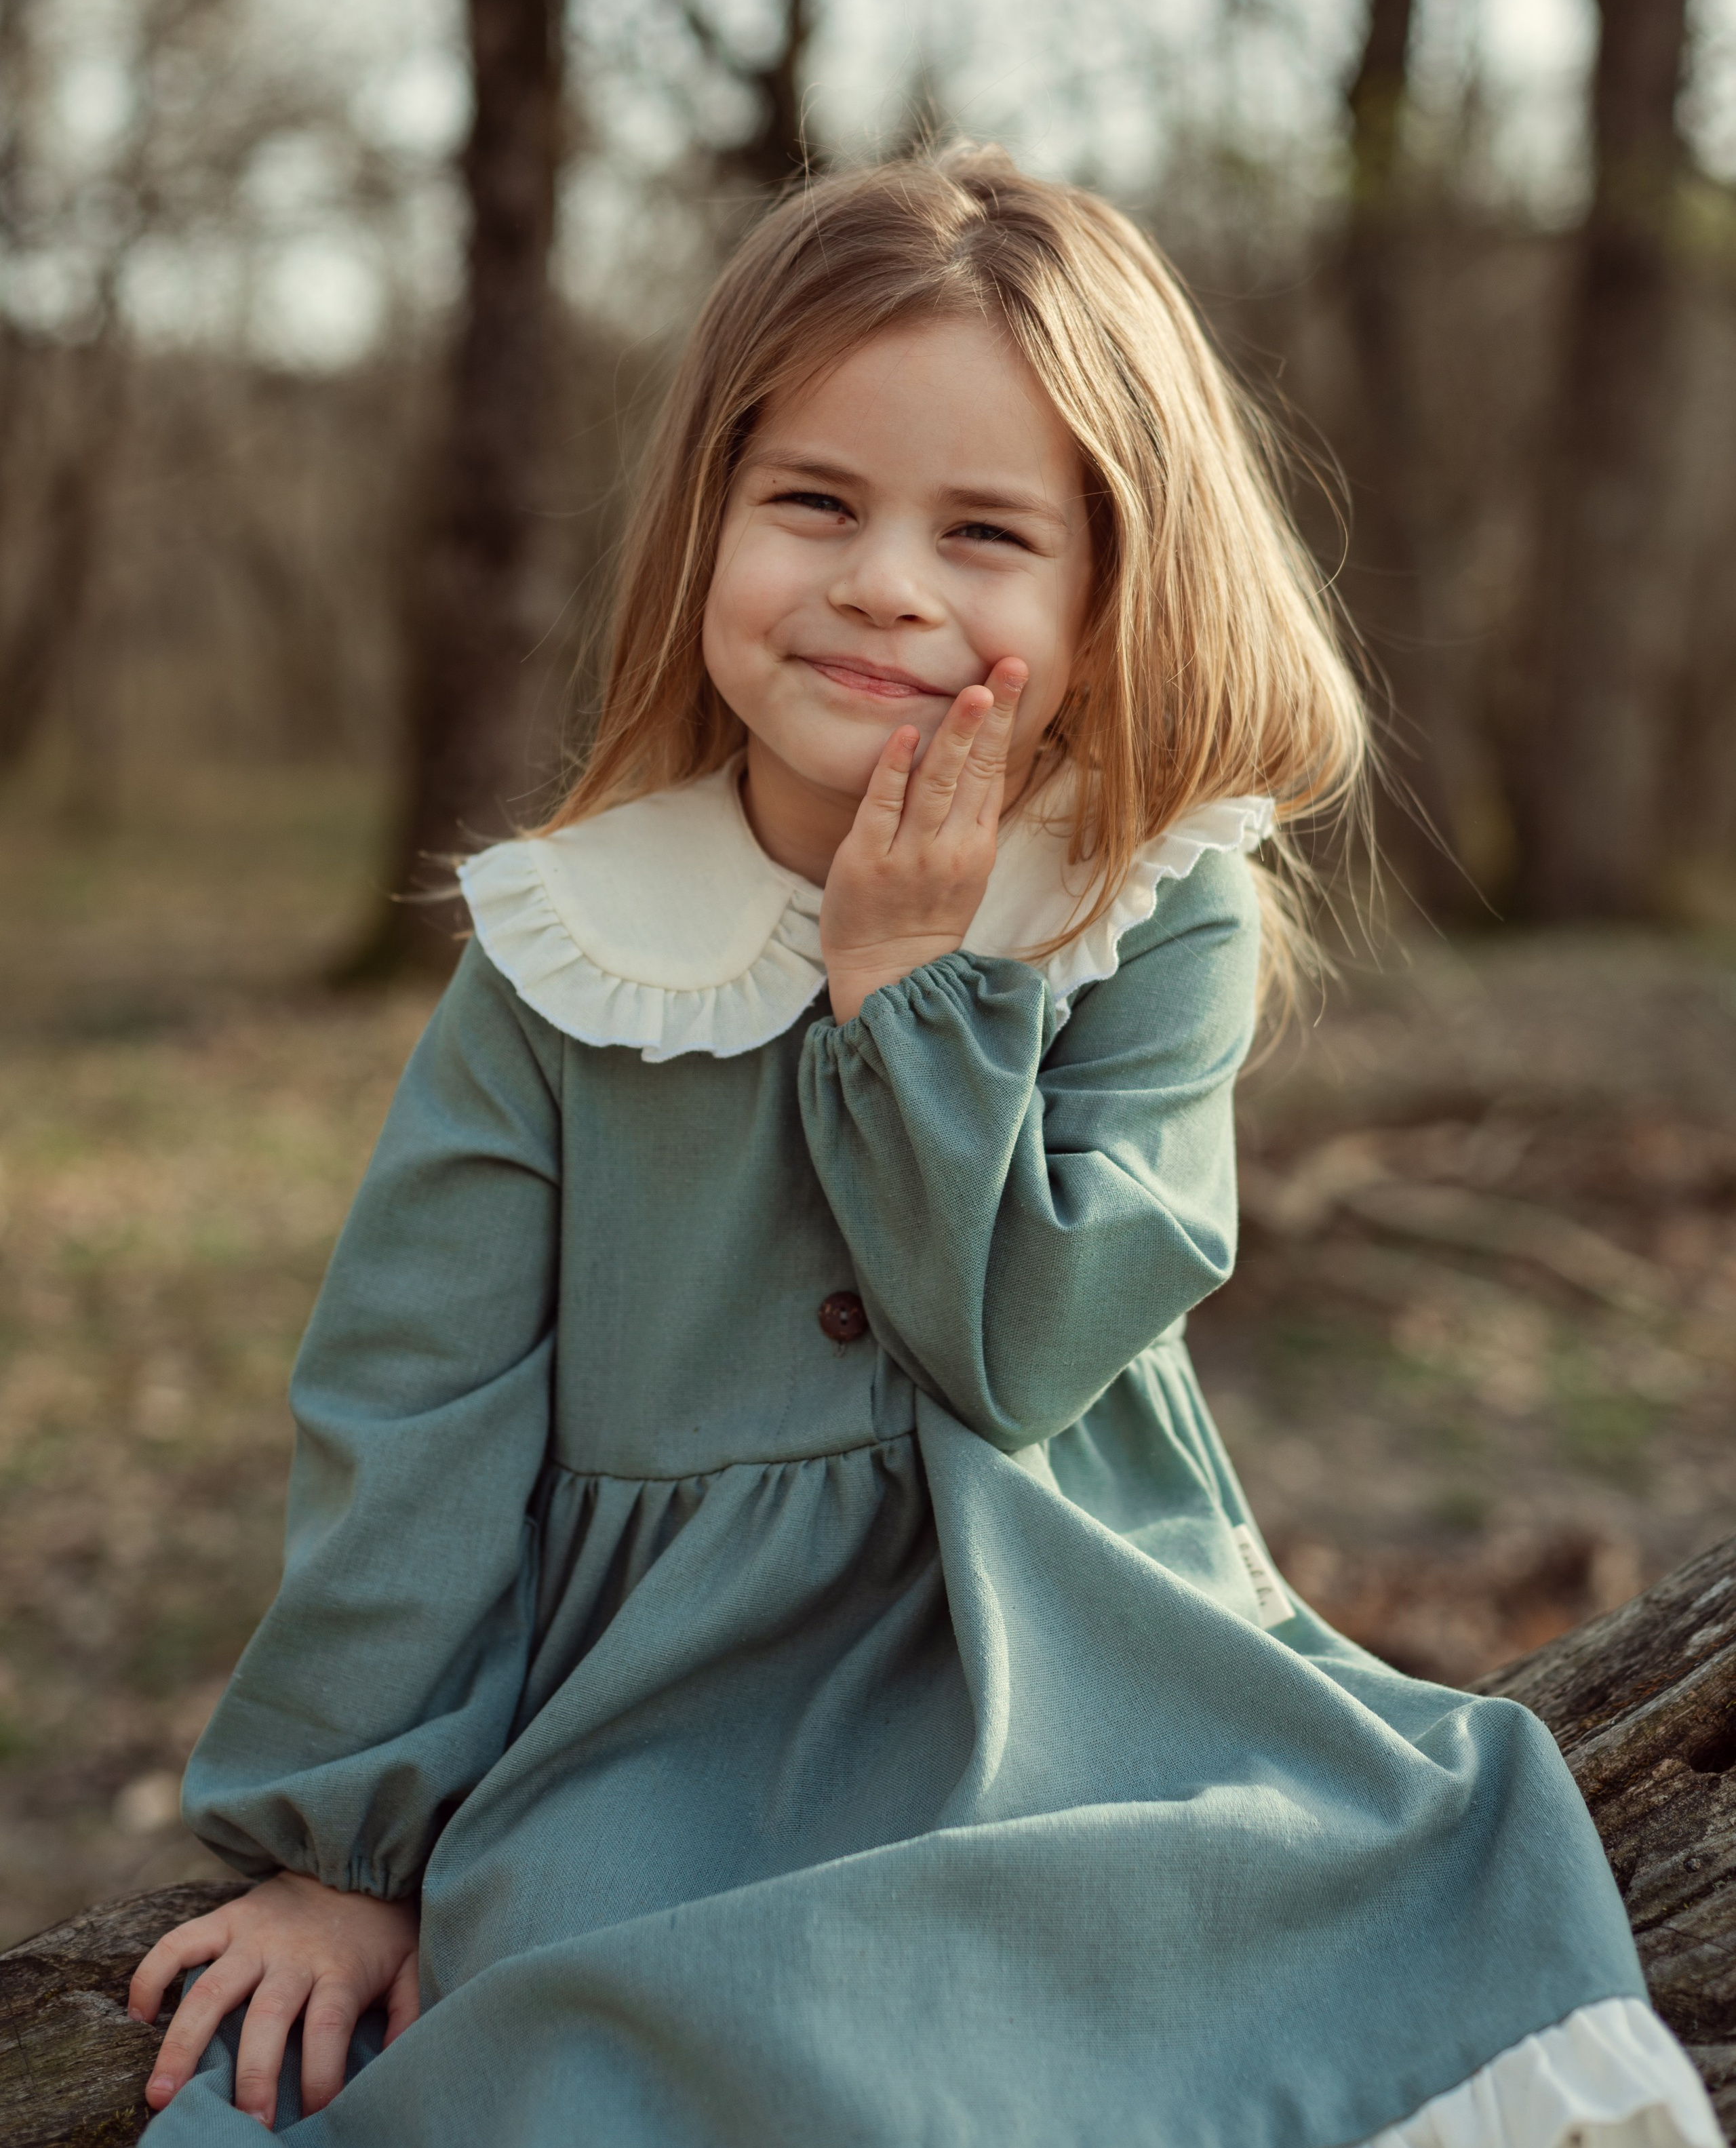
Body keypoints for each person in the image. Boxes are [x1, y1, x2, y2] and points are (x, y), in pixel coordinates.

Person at [130, 148, 1716, 2147]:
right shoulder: (570, 954)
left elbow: (1029, 1348)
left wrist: (906, 1000)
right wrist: (340, 1843)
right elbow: (413, 1404)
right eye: (815, 502)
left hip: (1079, 1661)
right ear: (708, 513)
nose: (885, 580)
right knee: (605, 2037)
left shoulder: (1149, 906)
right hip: (664, 1718)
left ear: (1104, 586)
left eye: (984, 532)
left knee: (1347, 1902)